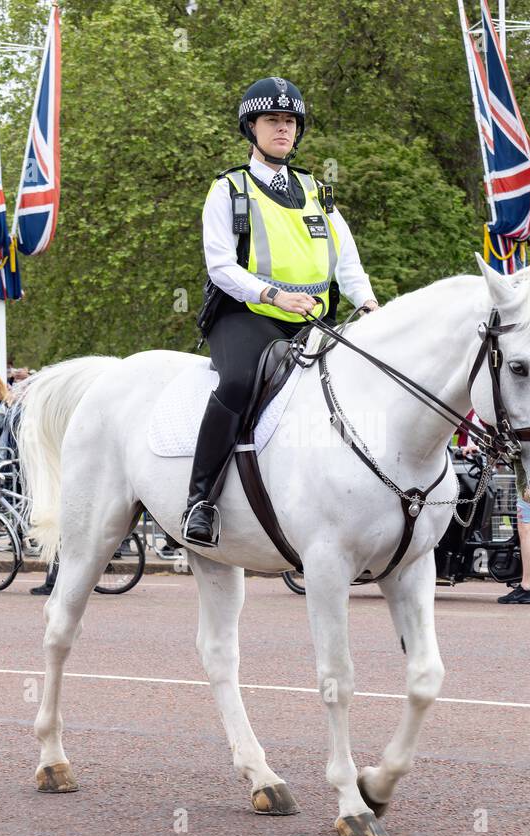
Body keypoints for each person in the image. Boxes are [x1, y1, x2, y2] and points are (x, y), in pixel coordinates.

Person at [182, 76, 378, 546]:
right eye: (273, 120)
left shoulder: (317, 191)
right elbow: (220, 265)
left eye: (290, 121)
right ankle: (201, 501)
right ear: (252, 127)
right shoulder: (228, 189)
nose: (283, 128)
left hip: (313, 317)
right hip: (245, 314)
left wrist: (368, 303)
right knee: (237, 382)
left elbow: (346, 261)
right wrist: (273, 296)